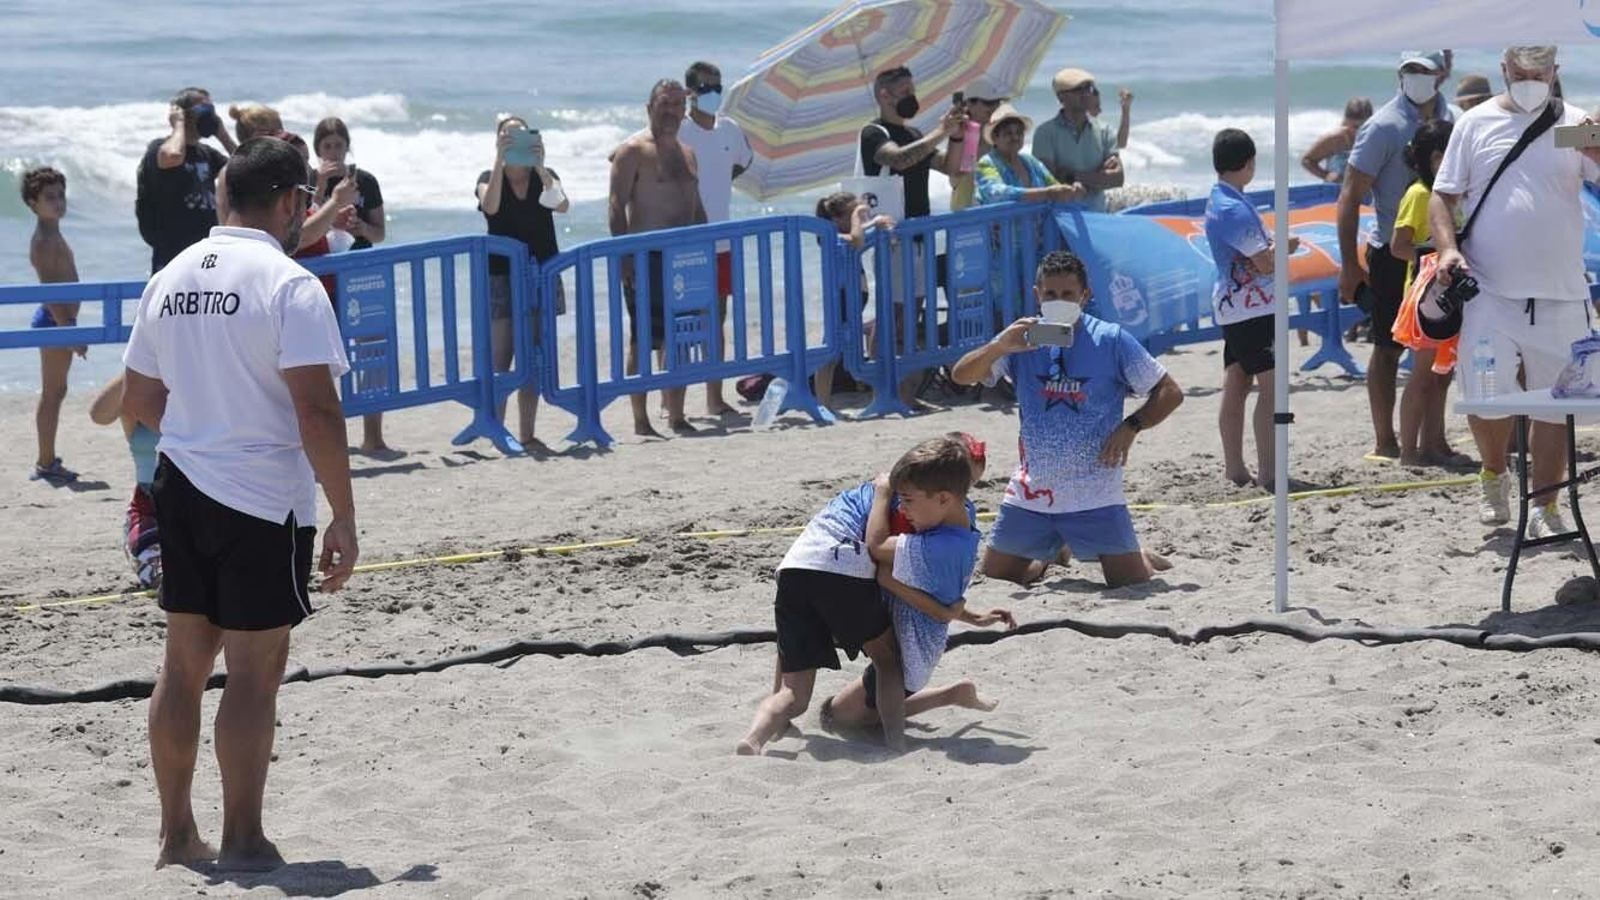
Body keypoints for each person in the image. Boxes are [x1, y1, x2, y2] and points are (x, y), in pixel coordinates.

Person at [121, 136, 358, 871]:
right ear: (291, 203)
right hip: (260, 499)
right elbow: (317, 411)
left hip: (182, 487)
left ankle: (174, 834)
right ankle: (245, 837)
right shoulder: (288, 283)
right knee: (255, 673)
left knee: (181, 666)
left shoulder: (172, 275)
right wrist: (344, 514)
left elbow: (137, 401)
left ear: (226, 197)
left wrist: (206, 432)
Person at [1431, 45, 1600, 537]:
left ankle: (1547, 507)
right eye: (1521, 72)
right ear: (1504, 70)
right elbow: (1444, 196)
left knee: (1558, 403)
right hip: (1491, 294)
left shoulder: (1573, 122)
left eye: (1540, 72)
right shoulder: (1475, 123)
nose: (1530, 80)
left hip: (1563, 294)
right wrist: (1446, 251)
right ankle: (1494, 474)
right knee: (1486, 398)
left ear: (1555, 71)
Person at [951, 251, 1184, 587]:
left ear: (1085, 295)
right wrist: (999, 347)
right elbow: (961, 376)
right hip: (1033, 490)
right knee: (1000, 577)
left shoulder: (1110, 339)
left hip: (1095, 491)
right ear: (1037, 295)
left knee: (1129, 584)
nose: (1058, 301)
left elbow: (1170, 391)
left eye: (1067, 295)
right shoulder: (1022, 339)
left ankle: (1139, 555)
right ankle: (1052, 554)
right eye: (1050, 294)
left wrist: (1131, 426)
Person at [736, 436, 980, 756]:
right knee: (887, 660)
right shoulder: (908, 503)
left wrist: (961, 614)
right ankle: (895, 741)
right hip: (842, 568)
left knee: (792, 694)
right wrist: (947, 612)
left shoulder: (902, 491)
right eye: (902, 500)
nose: (905, 511)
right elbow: (880, 557)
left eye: (908, 501)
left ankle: (755, 738)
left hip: (795, 565)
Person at [821, 433, 1015, 732]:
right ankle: (955, 694)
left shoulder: (938, 544)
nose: (902, 508)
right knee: (870, 707)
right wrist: (970, 616)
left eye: (908, 501)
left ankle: (944, 701)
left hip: (910, 657)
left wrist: (882, 493)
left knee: (839, 717)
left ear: (946, 497)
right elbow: (935, 594)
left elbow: (878, 548)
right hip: (920, 651)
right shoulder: (961, 528)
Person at [1337, 51, 1453, 462]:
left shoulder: (1454, 119)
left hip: (1442, 255)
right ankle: (1386, 441)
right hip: (1392, 253)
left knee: (1439, 351)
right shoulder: (1383, 126)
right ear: (1400, 74)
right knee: (1387, 348)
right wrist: (1350, 265)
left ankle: (1433, 440)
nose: (1418, 77)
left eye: (1426, 70)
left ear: (1442, 73)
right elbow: (1349, 196)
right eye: (1411, 70)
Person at [860, 66, 966, 409]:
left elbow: (949, 168)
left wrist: (957, 136)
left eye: (912, 88)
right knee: (891, 314)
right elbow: (900, 160)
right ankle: (882, 393)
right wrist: (940, 131)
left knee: (912, 314)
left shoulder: (915, 133)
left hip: (918, 236)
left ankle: (905, 394)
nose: (911, 95)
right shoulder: (873, 132)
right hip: (891, 237)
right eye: (904, 90)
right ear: (884, 95)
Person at [609, 80, 708, 437]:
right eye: (664, 104)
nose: (671, 111)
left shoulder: (688, 153)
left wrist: (707, 252)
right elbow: (616, 205)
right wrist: (624, 258)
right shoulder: (632, 151)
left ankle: (677, 415)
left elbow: (697, 207)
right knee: (642, 339)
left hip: (684, 259)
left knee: (679, 338)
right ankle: (641, 419)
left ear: (686, 109)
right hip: (644, 257)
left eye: (677, 105)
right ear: (648, 107)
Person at [1205, 129, 1300, 488]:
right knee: (1272, 389)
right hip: (1252, 308)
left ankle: (1235, 468)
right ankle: (1270, 472)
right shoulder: (1232, 207)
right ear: (1248, 164)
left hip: (1237, 305)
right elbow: (1264, 262)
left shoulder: (1222, 199)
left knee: (1237, 382)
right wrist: (1286, 246)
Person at [478, 115, 570, 448]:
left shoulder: (545, 178)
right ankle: (497, 430)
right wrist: (501, 162)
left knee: (531, 355)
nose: (513, 140)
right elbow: (490, 206)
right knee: (501, 356)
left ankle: (527, 433)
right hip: (502, 276)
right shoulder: (489, 177)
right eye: (507, 136)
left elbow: (561, 205)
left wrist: (540, 166)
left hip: (540, 272)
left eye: (519, 135)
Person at [676, 61, 754, 420]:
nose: (714, 93)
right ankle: (670, 401)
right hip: (686, 242)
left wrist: (715, 184)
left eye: (718, 86)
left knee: (717, 319)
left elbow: (741, 164)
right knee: (680, 322)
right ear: (690, 92)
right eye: (706, 87)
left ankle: (714, 396)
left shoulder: (730, 129)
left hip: (721, 239)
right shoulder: (679, 130)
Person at [316, 116, 392, 453]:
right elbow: (301, 223)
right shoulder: (308, 179)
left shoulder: (365, 181)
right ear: (318, 149)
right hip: (322, 274)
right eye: (327, 146)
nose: (333, 151)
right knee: (322, 356)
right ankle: (330, 437)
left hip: (362, 271)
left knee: (373, 349)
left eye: (338, 145)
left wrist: (360, 228)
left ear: (348, 146)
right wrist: (319, 188)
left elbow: (380, 232)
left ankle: (373, 436)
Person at [1388, 120, 1463, 466]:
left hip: (1449, 295)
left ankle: (1435, 442)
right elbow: (1398, 245)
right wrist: (1432, 254)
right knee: (1421, 376)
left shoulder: (1451, 194)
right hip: (1423, 299)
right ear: (1435, 157)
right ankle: (1408, 450)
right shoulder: (1419, 194)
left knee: (1442, 374)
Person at [22, 166, 85, 485]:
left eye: (61, 195)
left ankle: (47, 460)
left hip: (60, 320)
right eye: (49, 197)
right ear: (33, 202)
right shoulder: (45, 240)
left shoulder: (53, 233)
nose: (58, 202)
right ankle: (45, 462)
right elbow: (50, 293)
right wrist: (70, 331)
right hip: (55, 320)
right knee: (52, 393)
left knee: (57, 391)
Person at [136, 87, 236, 274]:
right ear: (183, 114)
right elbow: (173, 155)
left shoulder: (206, 153)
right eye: (203, 110)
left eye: (211, 109)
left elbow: (246, 167)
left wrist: (223, 135)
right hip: (172, 253)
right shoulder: (159, 148)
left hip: (205, 252)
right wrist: (178, 125)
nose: (209, 115)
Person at [814, 191, 894, 414]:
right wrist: (861, 215)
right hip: (841, 299)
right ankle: (822, 403)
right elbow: (857, 238)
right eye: (852, 215)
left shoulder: (845, 234)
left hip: (853, 298)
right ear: (838, 219)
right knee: (830, 350)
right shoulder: (833, 238)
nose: (859, 219)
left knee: (842, 345)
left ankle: (831, 400)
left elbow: (861, 235)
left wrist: (875, 224)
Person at [88, 373, 163, 588]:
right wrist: (149, 357)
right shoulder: (142, 388)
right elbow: (99, 414)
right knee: (162, 579)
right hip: (151, 507)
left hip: (206, 505)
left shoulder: (208, 380)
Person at [1031, 68, 1122, 212]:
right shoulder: (1045, 133)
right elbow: (1047, 181)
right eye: (1078, 89)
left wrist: (1072, 176)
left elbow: (1117, 179)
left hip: (1096, 216)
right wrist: (1098, 176)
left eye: (1089, 88)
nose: (1086, 94)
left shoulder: (1105, 131)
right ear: (1061, 98)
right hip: (1059, 221)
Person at [974, 104, 1083, 205]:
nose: (1015, 137)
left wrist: (1072, 190)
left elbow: (1054, 186)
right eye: (1008, 133)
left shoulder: (1030, 162)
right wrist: (1045, 193)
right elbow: (996, 194)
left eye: (1019, 132)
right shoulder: (986, 163)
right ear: (995, 138)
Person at [946, 77, 1008, 212]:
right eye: (988, 102)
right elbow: (954, 180)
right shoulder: (958, 133)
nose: (994, 107)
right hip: (966, 209)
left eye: (997, 102)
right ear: (970, 103)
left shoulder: (1002, 132)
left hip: (997, 208)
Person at [1300, 97, 1375, 183]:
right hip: (1334, 193)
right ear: (1346, 121)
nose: (1359, 131)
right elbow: (1307, 160)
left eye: (1365, 126)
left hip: (1365, 193)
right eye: (1355, 127)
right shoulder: (1335, 139)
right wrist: (1326, 175)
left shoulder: (1376, 138)